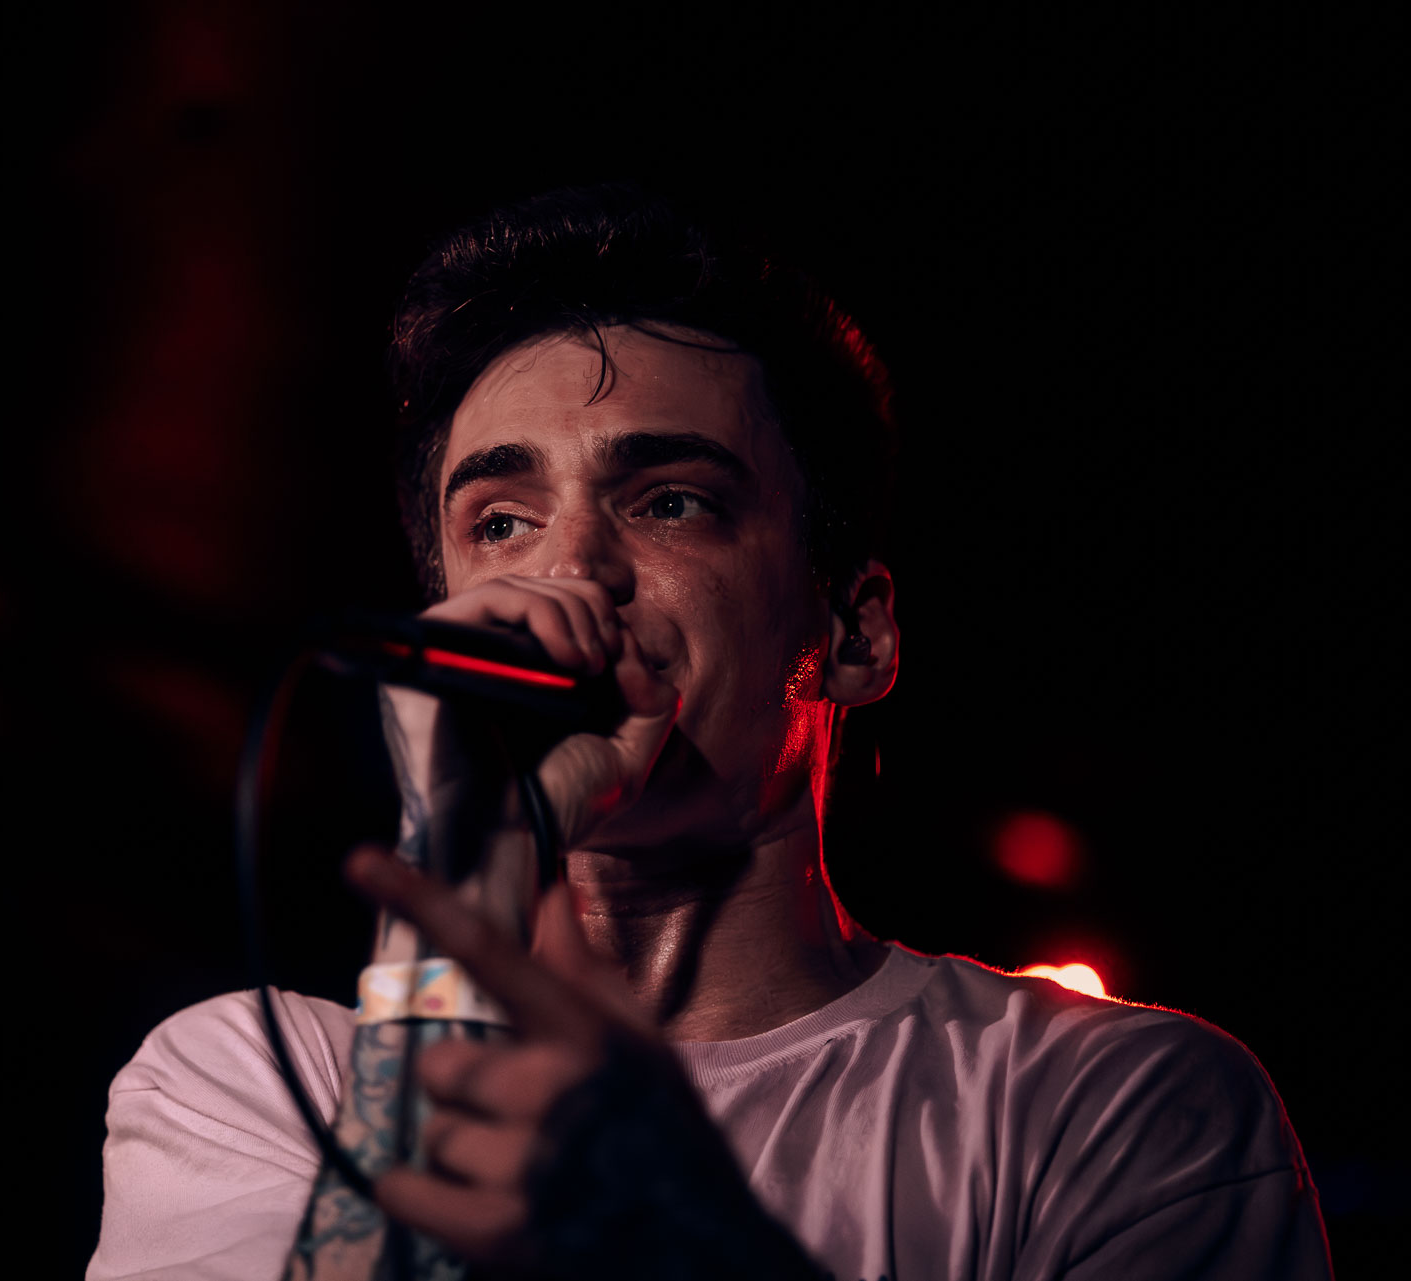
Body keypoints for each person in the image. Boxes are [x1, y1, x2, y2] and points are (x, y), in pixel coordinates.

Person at [85, 184, 1331, 1280]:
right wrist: (469, 833)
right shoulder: (252, 1081)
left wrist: (669, 1231)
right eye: (502, 524)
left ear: (853, 634)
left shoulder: (1105, 1105)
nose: (571, 568)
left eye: (670, 501)